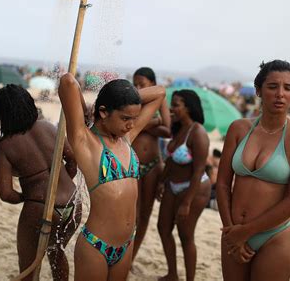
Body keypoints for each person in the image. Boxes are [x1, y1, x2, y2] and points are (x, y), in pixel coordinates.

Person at [58, 73, 165, 281]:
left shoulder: (126, 139)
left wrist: (126, 98)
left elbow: (160, 92)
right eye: (125, 118)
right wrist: (87, 108)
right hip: (96, 246)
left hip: (127, 244)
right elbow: (67, 82)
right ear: (104, 112)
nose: (132, 125)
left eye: (134, 118)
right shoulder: (86, 142)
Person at [217, 60, 290, 281]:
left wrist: (246, 231)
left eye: (288, 88)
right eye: (272, 86)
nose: (280, 94)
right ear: (259, 90)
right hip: (233, 230)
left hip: (274, 235)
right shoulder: (239, 129)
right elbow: (223, 183)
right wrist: (230, 230)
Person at [0, 84, 81, 281]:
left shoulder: (4, 146)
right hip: (74, 204)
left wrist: (29, 197)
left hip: (40, 207)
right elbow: (73, 160)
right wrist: (64, 181)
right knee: (56, 251)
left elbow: (6, 194)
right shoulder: (48, 127)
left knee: (28, 265)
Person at [156, 89, 211, 281]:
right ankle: (172, 274)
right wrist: (162, 182)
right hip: (173, 184)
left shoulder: (198, 133)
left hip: (194, 188)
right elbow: (171, 161)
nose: (172, 108)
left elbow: (198, 171)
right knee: (163, 228)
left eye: (176, 104)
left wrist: (187, 203)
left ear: (188, 107)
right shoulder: (178, 129)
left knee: (186, 235)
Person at [131, 67, 171, 260]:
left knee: (145, 215)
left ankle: (132, 256)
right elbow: (129, 128)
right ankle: (125, 253)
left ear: (152, 85)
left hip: (153, 164)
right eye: (135, 84)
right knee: (133, 215)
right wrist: (153, 122)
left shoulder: (160, 100)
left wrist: (143, 125)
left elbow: (168, 130)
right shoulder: (132, 101)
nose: (138, 88)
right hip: (134, 164)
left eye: (142, 85)